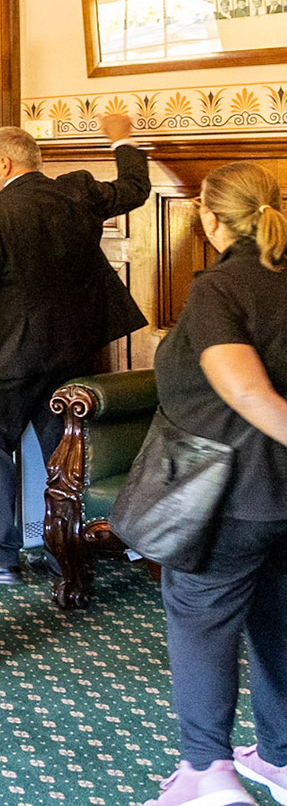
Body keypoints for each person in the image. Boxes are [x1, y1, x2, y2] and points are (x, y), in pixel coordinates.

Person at [141, 163, 287, 806]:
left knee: (202, 622)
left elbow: (246, 389)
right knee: (279, 622)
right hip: (283, 500)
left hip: (229, 496)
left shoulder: (219, 288)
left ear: (207, 218)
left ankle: (208, 773)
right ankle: (281, 758)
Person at [0, 114, 150, 583]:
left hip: (6, 357)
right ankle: (60, 545)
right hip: (72, 350)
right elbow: (135, 187)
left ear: (2, 164)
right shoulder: (78, 193)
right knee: (61, 451)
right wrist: (121, 137)